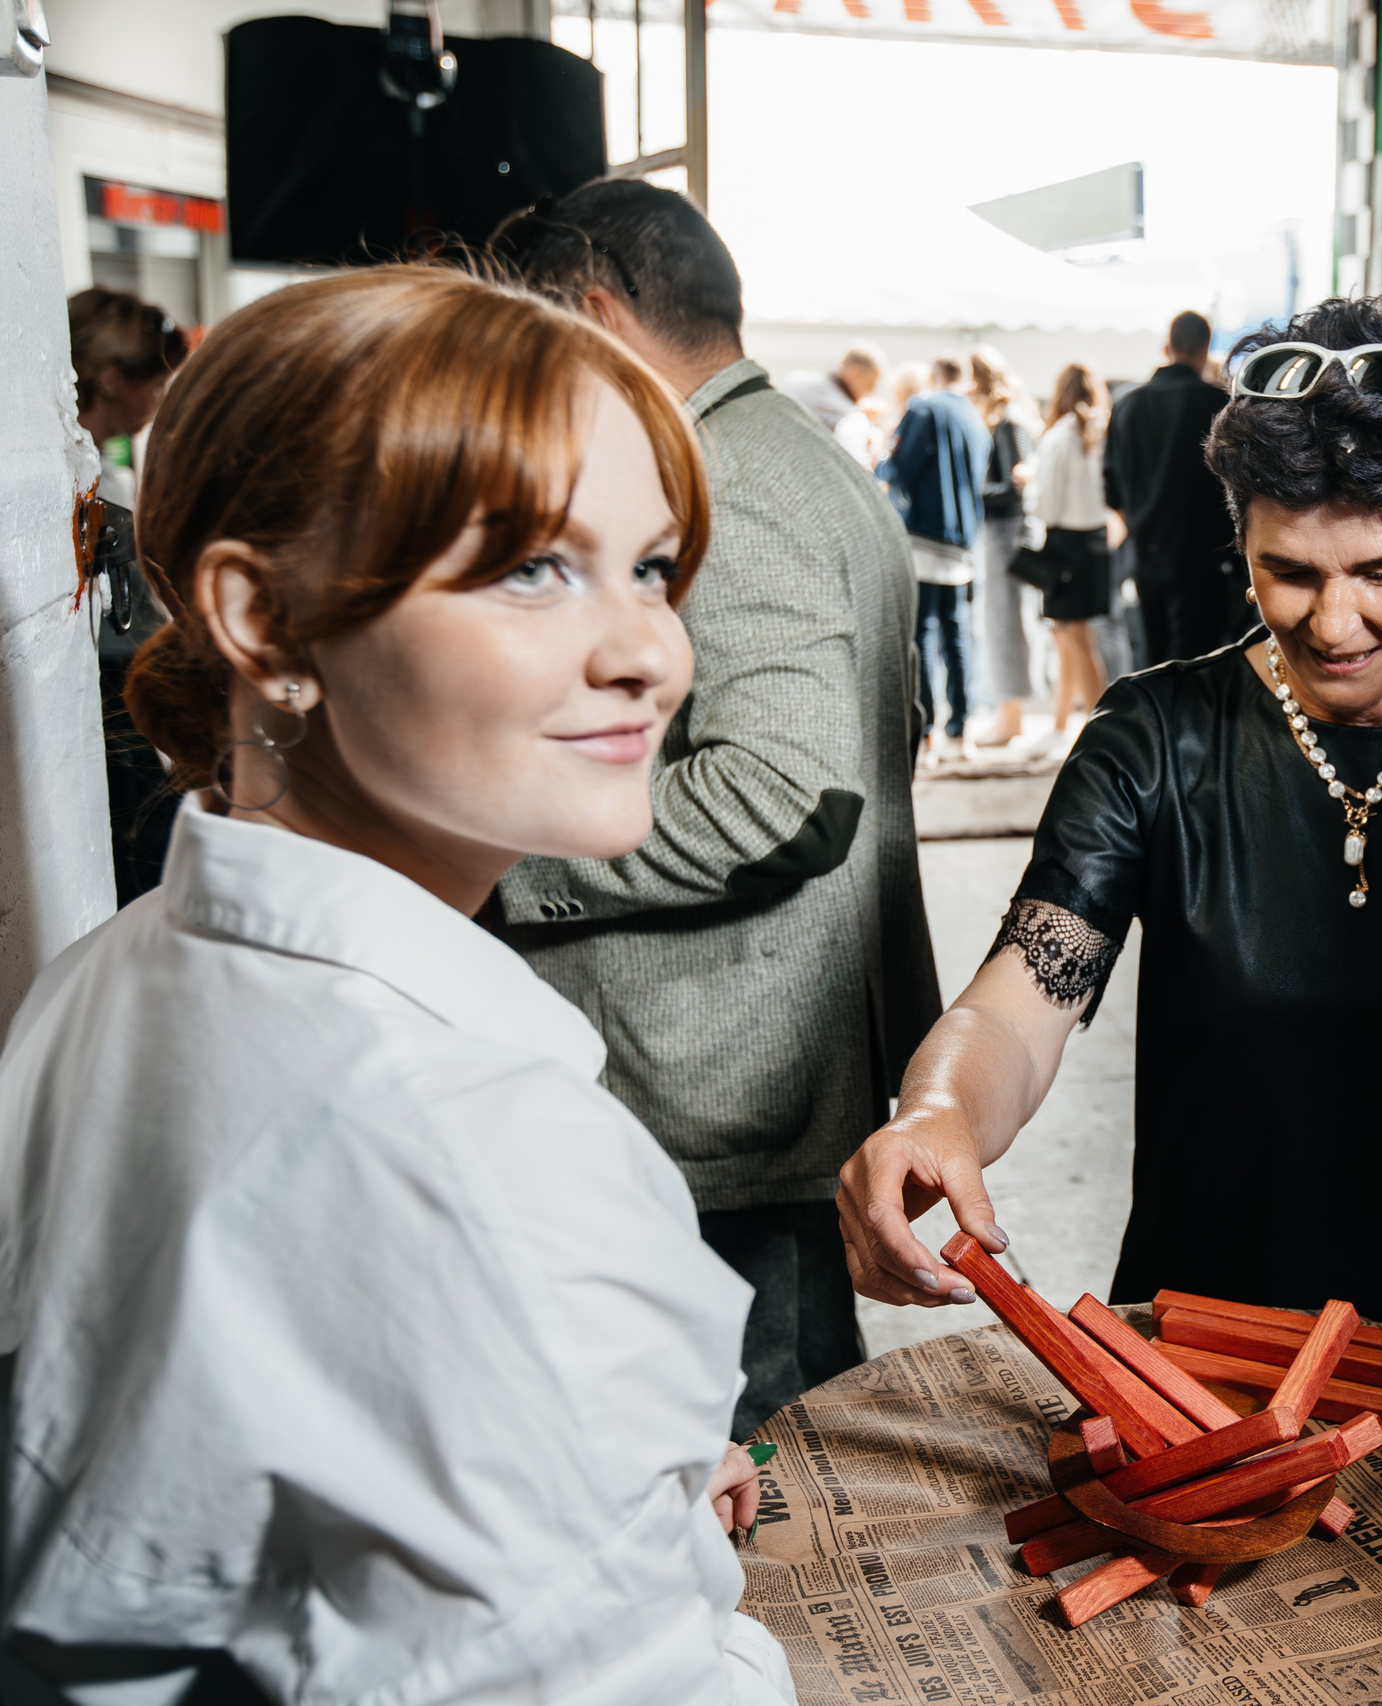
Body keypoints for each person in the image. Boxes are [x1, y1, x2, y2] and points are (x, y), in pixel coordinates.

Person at [0, 266, 796, 1703]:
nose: (652, 651)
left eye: (650, 566)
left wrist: (593, 1496)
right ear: (264, 617)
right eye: (532, 567)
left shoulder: (105, 976)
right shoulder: (483, 1148)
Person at [836, 293, 1382, 1430]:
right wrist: (935, 1109)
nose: (1333, 623)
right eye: (1289, 569)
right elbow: (1021, 1000)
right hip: (1228, 1351)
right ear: (1239, 537)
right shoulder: (1155, 740)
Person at [487, 181, 940, 1435]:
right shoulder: (800, 456)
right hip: (779, 1046)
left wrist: (508, 857)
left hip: (727, 1067)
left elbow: (781, 790)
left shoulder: (719, 477)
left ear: (591, 312)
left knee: (757, 1475)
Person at [69, 285, 192, 907]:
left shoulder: (104, 471)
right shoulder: (76, 478)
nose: (160, 397)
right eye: (156, 381)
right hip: (109, 693)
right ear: (113, 379)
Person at [1105, 309, 1237, 664]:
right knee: (1200, 666)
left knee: (1153, 663)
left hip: (1146, 555)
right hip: (1204, 562)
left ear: (1168, 347)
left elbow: (1111, 489)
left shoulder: (1127, 405)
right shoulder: (1218, 406)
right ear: (1205, 348)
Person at [885, 355, 989, 762]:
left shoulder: (922, 408)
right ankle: (961, 730)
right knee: (957, 634)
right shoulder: (975, 418)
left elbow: (899, 468)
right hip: (962, 542)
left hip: (925, 538)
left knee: (922, 636)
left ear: (933, 377)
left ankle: (925, 732)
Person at [1025, 360, 1116, 749]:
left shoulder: (1059, 437)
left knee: (1074, 639)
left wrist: (1027, 485)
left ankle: (1100, 729)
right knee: (1070, 638)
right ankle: (1061, 723)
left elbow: (1045, 506)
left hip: (1065, 543)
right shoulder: (1104, 434)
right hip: (1095, 541)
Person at [966, 346, 1037, 750]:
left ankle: (1012, 718)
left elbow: (1015, 487)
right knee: (1000, 622)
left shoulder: (1008, 421)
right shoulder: (1008, 418)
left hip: (1007, 531)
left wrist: (970, 494)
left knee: (1005, 623)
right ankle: (1008, 715)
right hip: (1002, 530)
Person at [779, 341, 884, 433]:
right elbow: (850, 425)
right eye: (870, 384)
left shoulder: (798, 378)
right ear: (855, 372)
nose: (870, 392)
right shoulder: (821, 393)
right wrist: (864, 416)